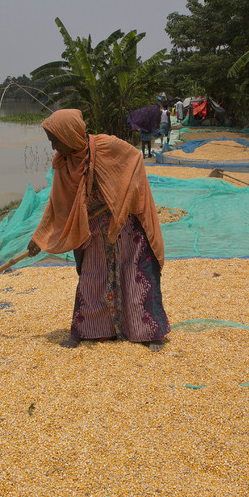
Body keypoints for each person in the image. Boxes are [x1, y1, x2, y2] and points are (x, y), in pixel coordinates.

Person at [27, 109, 170, 351]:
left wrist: (120, 200)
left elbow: (134, 160)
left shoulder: (106, 146)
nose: (53, 146)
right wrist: (38, 239)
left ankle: (149, 331)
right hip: (91, 230)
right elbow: (57, 206)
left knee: (135, 277)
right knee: (92, 280)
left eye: (55, 139)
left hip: (124, 225)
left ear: (70, 134)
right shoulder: (64, 163)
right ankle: (87, 330)